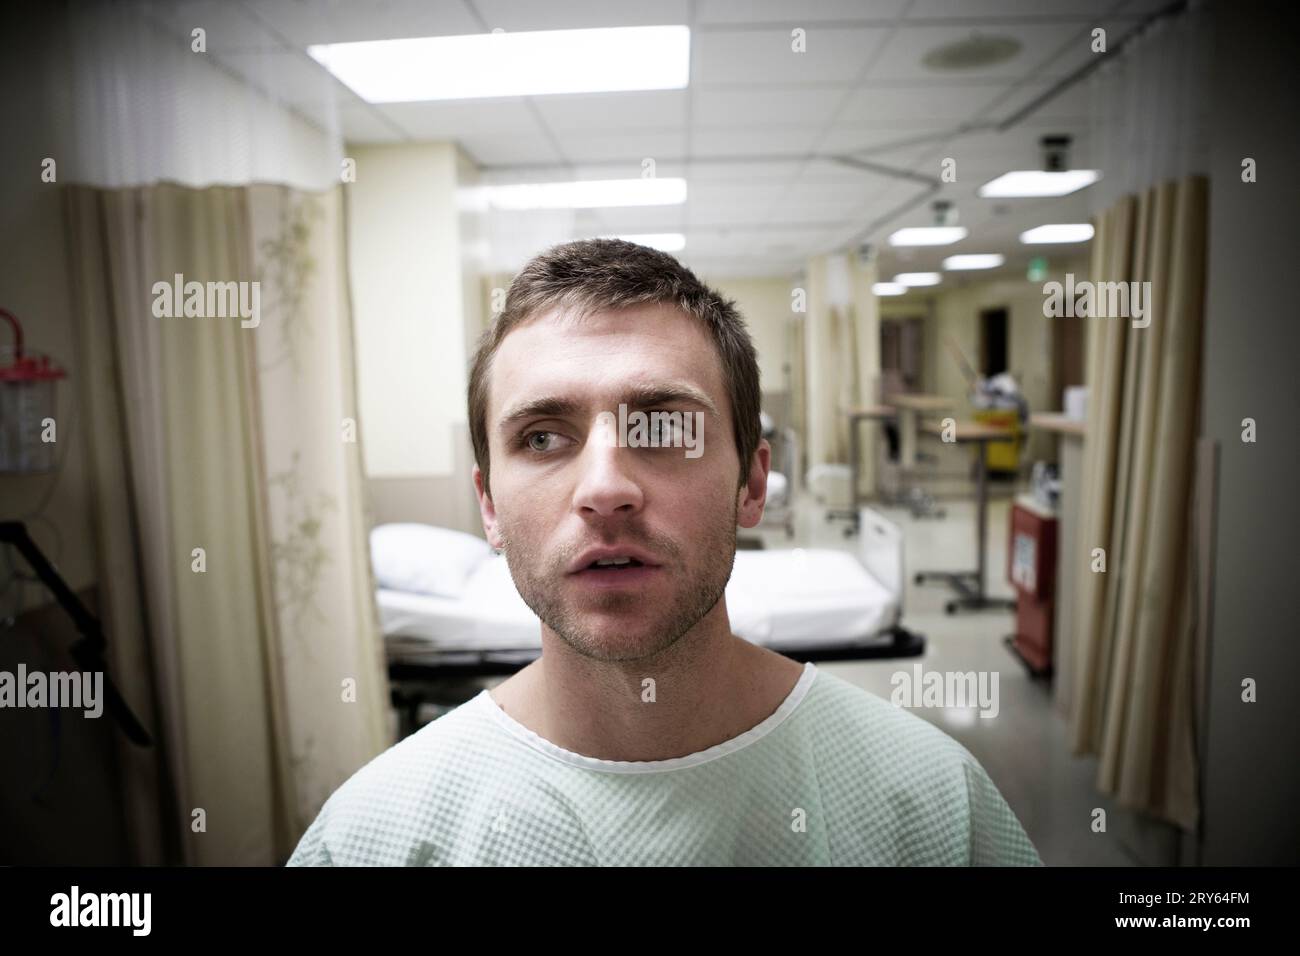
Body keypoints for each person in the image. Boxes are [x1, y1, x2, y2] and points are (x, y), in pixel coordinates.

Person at [288, 239, 1042, 866]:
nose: (606, 488)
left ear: (752, 485)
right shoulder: (373, 838)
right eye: (543, 438)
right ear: (489, 505)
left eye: (664, 429)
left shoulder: (932, 805)